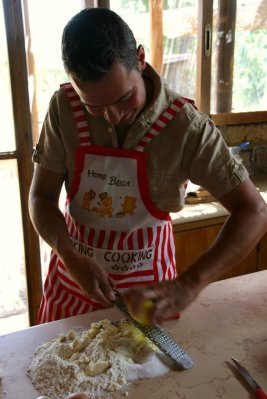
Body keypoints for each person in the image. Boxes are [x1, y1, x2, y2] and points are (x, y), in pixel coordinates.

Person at [29, 8, 267, 325]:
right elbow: (41, 199)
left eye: (123, 98)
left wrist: (191, 282)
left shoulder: (186, 128)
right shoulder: (64, 107)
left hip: (147, 301)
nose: (112, 116)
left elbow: (254, 212)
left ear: (140, 59)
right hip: (72, 289)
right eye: (94, 107)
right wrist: (72, 258)